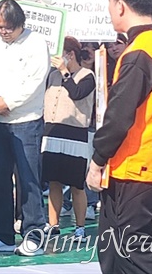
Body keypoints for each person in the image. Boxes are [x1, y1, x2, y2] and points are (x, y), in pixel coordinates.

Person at [86, 0, 152, 274]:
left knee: (133, 254)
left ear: (120, 4)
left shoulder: (142, 52)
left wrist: (98, 159)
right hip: (135, 167)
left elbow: (119, 117)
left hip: (134, 168)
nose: (109, 9)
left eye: (109, 2)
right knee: (114, 252)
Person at [0, 0, 49, 256]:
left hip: (26, 121)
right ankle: (3, 235)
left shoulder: (36, 43)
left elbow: (36, 81)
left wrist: (9, 102)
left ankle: (34, 235)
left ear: (21, 25)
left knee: (28, 180)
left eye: (8, 28)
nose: (3, 32)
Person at [41, 37, 95, 240]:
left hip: (75, 135)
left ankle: (79, 227)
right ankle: (52, 224)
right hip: (52, 132)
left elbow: (77, 93)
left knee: (76, 184)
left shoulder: (87, 76)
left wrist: (65, 72)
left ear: (70, 54)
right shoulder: (51, 75)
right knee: (53, 181)